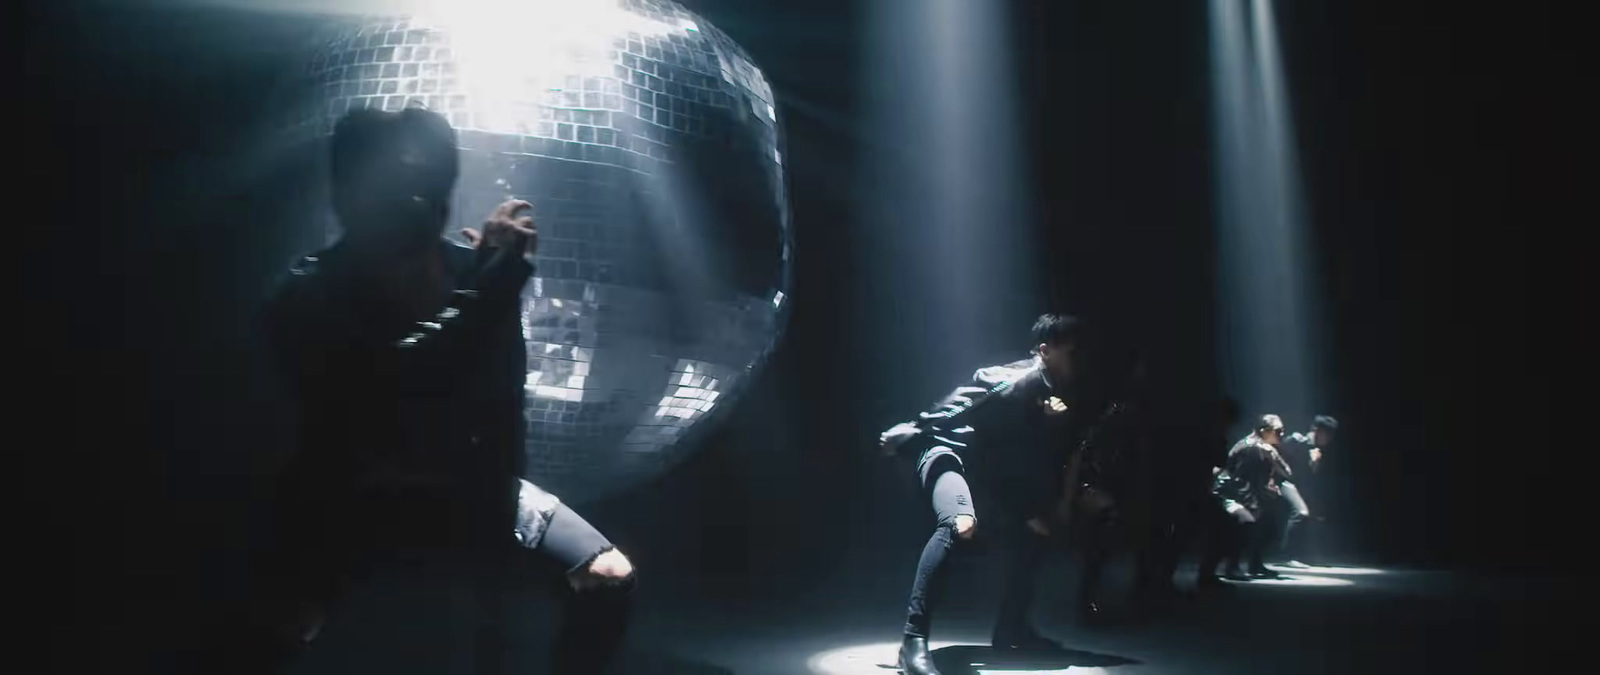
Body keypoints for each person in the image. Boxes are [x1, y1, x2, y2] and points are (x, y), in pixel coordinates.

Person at [254, 107, 634, 674]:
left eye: (429, 188)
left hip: (469, 485)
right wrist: (495, 282)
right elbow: (403, 382)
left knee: (607, 575)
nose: (416, 205)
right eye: (397, 189)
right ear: (350, 193)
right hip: (349, 493)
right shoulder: (309, 290)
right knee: (286, 622)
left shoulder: (469, 269)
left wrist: (502, 493)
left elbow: (504, 394)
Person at [878, 314, 1089, 675]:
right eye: (1072, 352)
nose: (1079, 361)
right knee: (959, 523)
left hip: (982, 470)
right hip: (947, 452)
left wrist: (1032, 511)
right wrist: (914, 428)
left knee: (1036, 532)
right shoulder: (1013, 380)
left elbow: (1015, 459)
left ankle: (1012, 630)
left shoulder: (1053, 395)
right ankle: (912, 642)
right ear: (1045, 351)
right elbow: (960, 405)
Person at [1198, 414, 1290, 584]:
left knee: (1264, 519)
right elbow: (1240, 480)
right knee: (1246, 521)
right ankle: (1230, 566)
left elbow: (1286, 472)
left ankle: (1254, 563)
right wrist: (1252, 504)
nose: (1282, 434)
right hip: (1225, 495)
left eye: (1282, 431)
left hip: (1240, 493)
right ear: (1264, 431)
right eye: (1278, 431)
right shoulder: (1253, 448)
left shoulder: (1263, 448)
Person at [1274, 415, 1339, 567]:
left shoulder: (1317, 450)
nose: (1328, 439)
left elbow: (1310, 475)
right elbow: (1276, 456)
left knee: (1315, 515)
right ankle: (1288, 556)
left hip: (1298, 486)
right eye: (1326, 434)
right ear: (1316, 430)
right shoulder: (1297, 440)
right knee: (1301, 512)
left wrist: (1314, 463)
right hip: (1283, 482)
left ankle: (1304, 554)